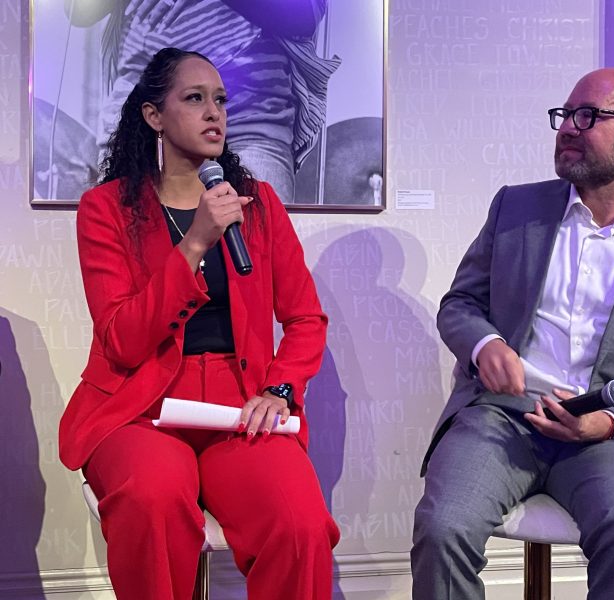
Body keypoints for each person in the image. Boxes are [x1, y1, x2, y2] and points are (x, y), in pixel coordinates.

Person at [411, 68, 614, 599]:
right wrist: (486, 344)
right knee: (444, 527)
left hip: (611, 432)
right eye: (565, 115)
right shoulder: (515, 207)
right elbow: (462, 303)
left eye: (588, 117)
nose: (567, 128)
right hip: (502, 416)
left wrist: (607, 422)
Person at [58, 47, 339, 599]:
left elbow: (306, 318)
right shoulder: (106, 209)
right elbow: (122, 339)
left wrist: (281, 388)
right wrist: (193, 244)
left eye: (220, 101)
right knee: (152, 499)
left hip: (239, 405)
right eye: (194, 99)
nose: (214, 113)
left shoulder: (258, 205)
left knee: (298, 523)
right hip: (141, 408)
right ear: (154, 116)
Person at [63, 0, 339, 204]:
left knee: (256, 251)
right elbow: (80, 11)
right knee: (133, 248)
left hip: (246, 117)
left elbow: (304, 15)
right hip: (146, 113)